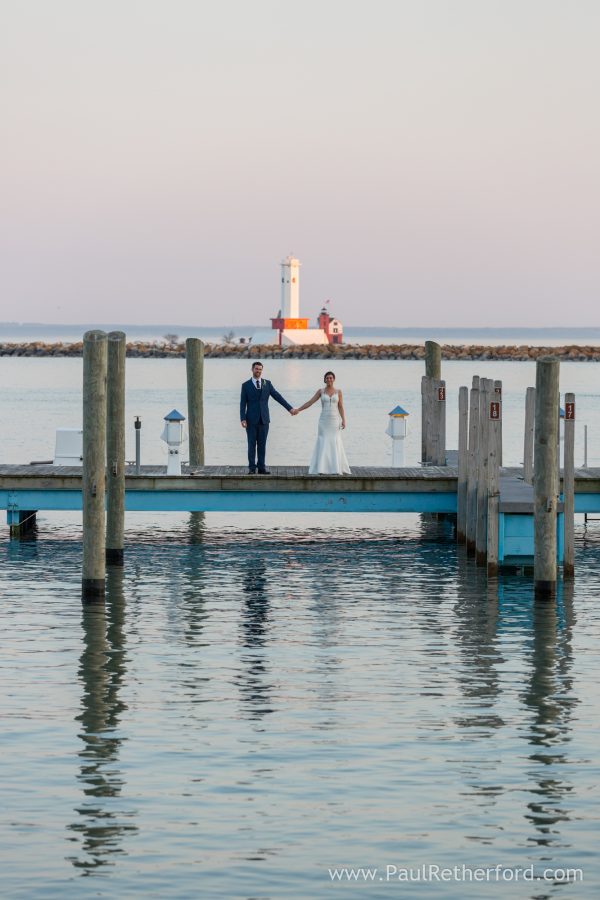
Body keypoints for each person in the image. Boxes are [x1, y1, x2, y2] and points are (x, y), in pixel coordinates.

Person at [240, 361, 295, 474]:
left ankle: (261, 468)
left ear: (262, 370)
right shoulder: (245, 385)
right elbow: (242, 403)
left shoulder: (267, 384)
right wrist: (243, 418)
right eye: (256, 369)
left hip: (264, 420)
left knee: (262, 444)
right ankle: (251, 468)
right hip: (250, 420)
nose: (258, 371)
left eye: (260, 369)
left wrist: (290, 408)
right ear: (252, 369)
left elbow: (278, 397)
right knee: (251, 444)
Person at [292, 371, 351, 474]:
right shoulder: (321, 391)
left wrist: (344, 420)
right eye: (327, 378)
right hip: (323, 421)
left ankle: (335, 468)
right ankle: (321, 468)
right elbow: (310, 402)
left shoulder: (339, 391)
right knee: (323, 441)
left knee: (334, 441)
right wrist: (298, 409)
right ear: (324, 380)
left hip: (334, 421)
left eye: (331, 378)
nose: (329, 380)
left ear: (334, 379)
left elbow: (340, 406)